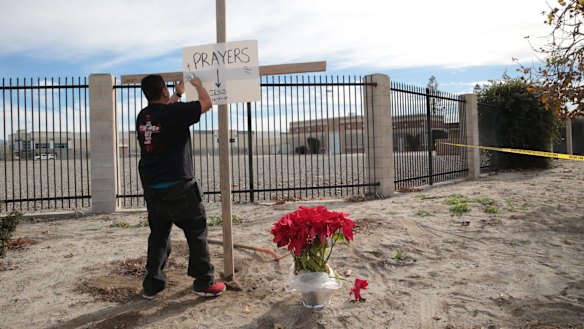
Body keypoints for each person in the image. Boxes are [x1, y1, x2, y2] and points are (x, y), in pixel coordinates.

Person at [136, 74, 226, 299]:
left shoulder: (144, 116)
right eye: (168, 91)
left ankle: (152, 285)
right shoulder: (173, 113)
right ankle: (204, 282)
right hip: (179, 187)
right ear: (163, 92)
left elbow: (166, 114)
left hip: (153, 188)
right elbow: (206, 104)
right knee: (196, 232)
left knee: (158, 236)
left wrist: (177, 94)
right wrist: (198, 85)